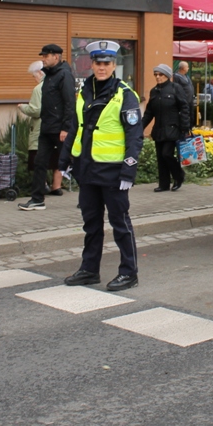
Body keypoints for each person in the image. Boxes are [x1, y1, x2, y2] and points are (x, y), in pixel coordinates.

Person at [60, 40, 143, 291]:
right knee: (91, 223)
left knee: (120, 223)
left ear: (114, 65)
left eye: (107, 63)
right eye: (98, 63)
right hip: (86, 169)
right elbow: (75, 128)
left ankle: (129, 272)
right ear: (92, 65)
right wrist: (64, 160)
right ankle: (89, 269)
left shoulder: (125, 94)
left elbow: (134, 136)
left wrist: (129, 169)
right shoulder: (84, 92)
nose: (102, 67)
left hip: (113, 172)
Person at [19, 44, 76, 210]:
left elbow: (69, 103)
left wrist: (66, 127)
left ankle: (90, 196)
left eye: (46, 56)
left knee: (71, 162)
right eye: (43, 56)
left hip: (59, 129)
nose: (43, 59)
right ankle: (37, 199)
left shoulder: (64, 75)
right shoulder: (50, 76)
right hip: (46, 128)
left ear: (56, 57)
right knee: (40, 162)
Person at [142, 64, 191, 192]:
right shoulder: (154, 91)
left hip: (173, 128)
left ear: (167, 76)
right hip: (158, 129)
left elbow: (184, 107)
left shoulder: (176, 88)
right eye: (156, 75)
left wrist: (185, 126)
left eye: (161, 74)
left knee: (167, 154)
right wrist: (139, 127)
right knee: (160, 157)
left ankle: (178, 176)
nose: (158, 77)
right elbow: (149, 112)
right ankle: (163, 184)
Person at [18, 60, 63, 195]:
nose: (35, 79)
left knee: (38, 160)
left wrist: (23, 107)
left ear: (39, 73)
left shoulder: (39, 89)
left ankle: (42, 186)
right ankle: (57, 186)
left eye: (34, 76)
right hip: (58, 127)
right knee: (58, 158)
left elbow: (37, 110)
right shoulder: (58, 85)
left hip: (41, 128)